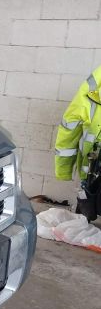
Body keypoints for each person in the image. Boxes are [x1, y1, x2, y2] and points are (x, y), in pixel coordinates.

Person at [55, 67, 101, 220]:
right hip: (92, 171)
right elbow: (69, 130)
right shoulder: (92, 87)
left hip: (92, 173)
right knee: (84, 218)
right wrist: (64, 170)